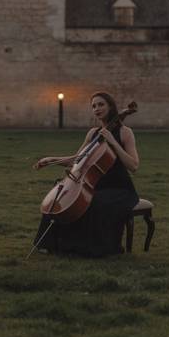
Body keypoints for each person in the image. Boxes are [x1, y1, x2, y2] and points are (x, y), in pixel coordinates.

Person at [32, 91, 140, 257]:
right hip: (94, 184)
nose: (97, 108)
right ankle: (54, 244)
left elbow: (133, 166)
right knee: (58, 196)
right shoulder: (92, 133)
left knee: (94, 203)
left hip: (119, 189)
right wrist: (51, 159)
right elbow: (77, 160)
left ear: (110, 106)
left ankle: (91, 249)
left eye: (101, 104)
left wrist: (112, 141)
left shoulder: (125, 132)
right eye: (94, 106)